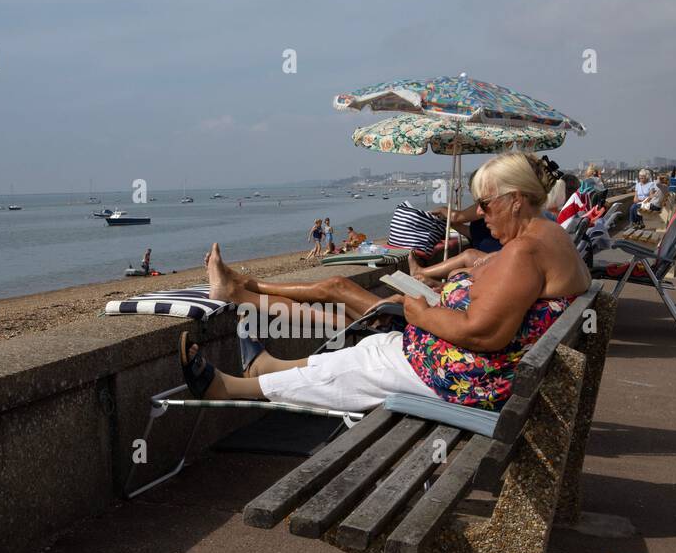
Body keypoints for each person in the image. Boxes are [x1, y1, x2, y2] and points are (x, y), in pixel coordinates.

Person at [181, 152, 591, 413]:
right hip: (501, 374)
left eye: (485, 204)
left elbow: (484, 335)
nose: (480, 215)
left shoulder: (526, 250)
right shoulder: (549, 236)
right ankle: (259, 374)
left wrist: (421, 312)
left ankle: (228, 387)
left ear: (515, 199)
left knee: (366, 363)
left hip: (478, 380)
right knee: (376, 346)